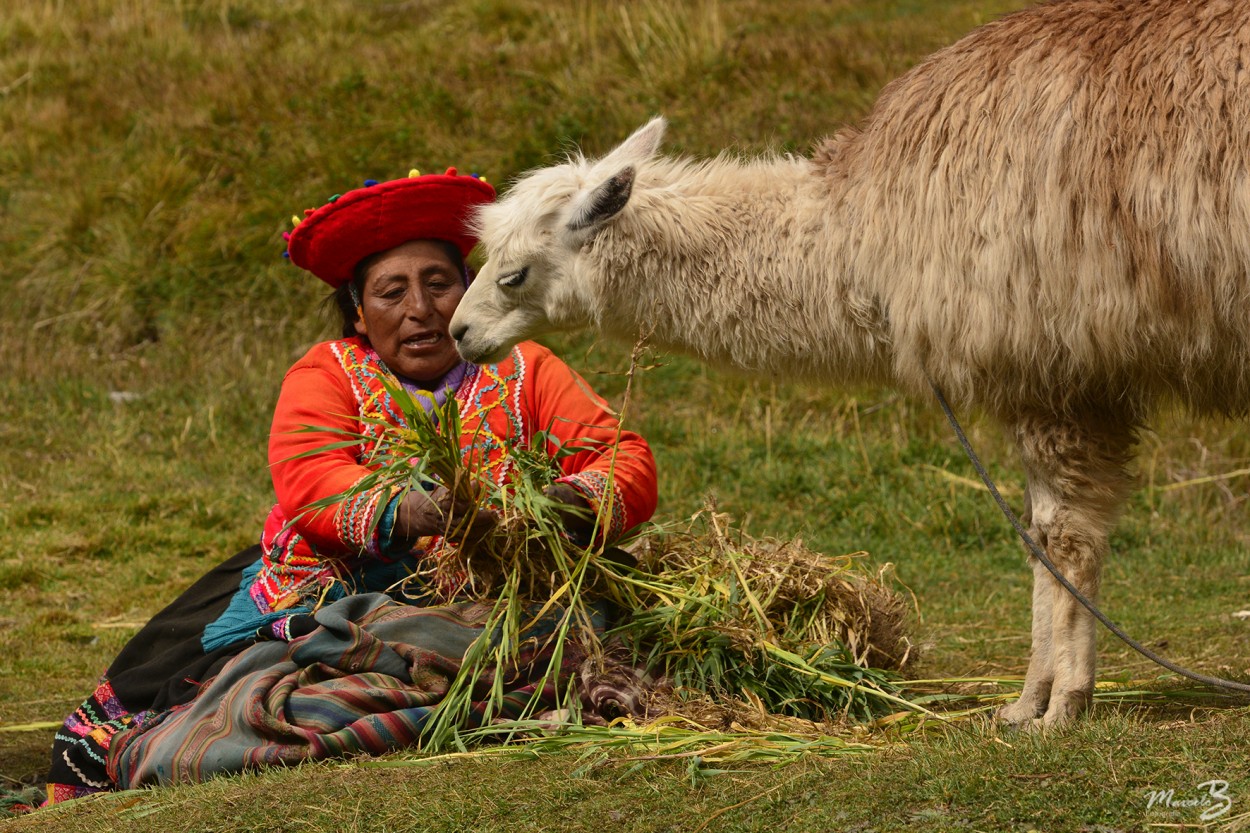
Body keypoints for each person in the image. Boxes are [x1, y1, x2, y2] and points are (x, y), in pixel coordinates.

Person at [44, 168, 658, 803]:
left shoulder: (525, 369)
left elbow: (620, 455)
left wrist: (574, 501)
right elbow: (312, 479)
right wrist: (411, 511)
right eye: (392, 293)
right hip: (334, 584)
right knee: (213, 688)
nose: (421, 309)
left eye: (440, 284)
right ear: (360, 315)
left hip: (502, 588)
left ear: (470, 292)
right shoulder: (327, 373)